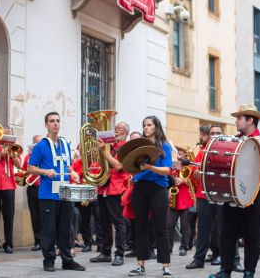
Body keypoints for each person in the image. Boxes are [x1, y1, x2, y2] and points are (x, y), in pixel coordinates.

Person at [210, 104, 260, 278]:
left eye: (239, 118)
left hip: (257, 192)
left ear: (250, 120)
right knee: (227, 233)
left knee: (252, 235)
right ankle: (225, 271)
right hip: (233, 192)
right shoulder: (235, 139)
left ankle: (249, 272)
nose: (236, 121)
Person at [27, 112, 86, 272]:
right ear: (46, 125)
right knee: (48, 229)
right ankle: (49, 261)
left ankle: (67, 260)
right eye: (52, 121)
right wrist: (45, 171)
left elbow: (68, 165)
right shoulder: (41, 145)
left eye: (58, 121)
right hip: (47, 194)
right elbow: (30, 168)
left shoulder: (65, 144)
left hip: (65, 193)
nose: (55, 124)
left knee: (66, 228)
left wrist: (73, 172)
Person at [128, 115, 173, 277]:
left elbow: (167, 171)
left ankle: (165, 266)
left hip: (158, 188)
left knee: (160, 228)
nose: (146, 127)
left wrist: (148, 166)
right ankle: (140, 265)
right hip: (140, 188)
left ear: (156, 127)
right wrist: (133, 173)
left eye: (149, 125)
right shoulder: (140, 146)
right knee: (140, 227)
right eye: (144, 125)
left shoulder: (164, 146)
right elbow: (131, 165)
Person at [90, 121, 131, 266]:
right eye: (116, 128)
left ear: (126, 133)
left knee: (118, 222)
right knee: (103, 222)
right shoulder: (111, 147)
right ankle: (106, 252)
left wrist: (104, 152)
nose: (116, 131)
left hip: (116, 187)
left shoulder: (126, 147)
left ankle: (119, 254)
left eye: (119, 129)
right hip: (104, 187)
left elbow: (119, 166)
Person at [186, 124, 226, 270]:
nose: (214, 135)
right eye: (212, 133)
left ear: (223, 135)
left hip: (222, 195)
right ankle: (198, 260)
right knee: (203, 229)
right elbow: (194, 171)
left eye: (218, 133)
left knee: (221, 229)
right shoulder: (203, 151)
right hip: (204, 195)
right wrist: (197, 172)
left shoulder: (228, 151)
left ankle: (221, 255)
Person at [0, 127, 22, 253]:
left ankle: (8, 243)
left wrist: (12, 155)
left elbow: (19, 166)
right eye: (4, 136)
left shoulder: (14, 148)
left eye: (9, 136)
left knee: (9, 216)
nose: (6, 138)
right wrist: (0, 153)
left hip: (9, 185)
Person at [167, 145, 194, 257]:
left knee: (185, 226)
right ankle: (168, 247)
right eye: (178, 153)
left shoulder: (191, 167)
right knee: (169, 225)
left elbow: (193, 182)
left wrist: (183, 181)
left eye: (182, 153)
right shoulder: (174, 165)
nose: (179, 155)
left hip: (185, 199)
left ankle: (184, 247)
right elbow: (168, 177)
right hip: (174, 198)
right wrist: (173, 179)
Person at [18, 134, 43, 251]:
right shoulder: (28, 156)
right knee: (35, 215)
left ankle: (47, 241)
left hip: (43, 187)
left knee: (45, 215)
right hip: (32, 188)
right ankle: (37, 241)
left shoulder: (45, 155)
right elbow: (23, 170)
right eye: (35, 143)